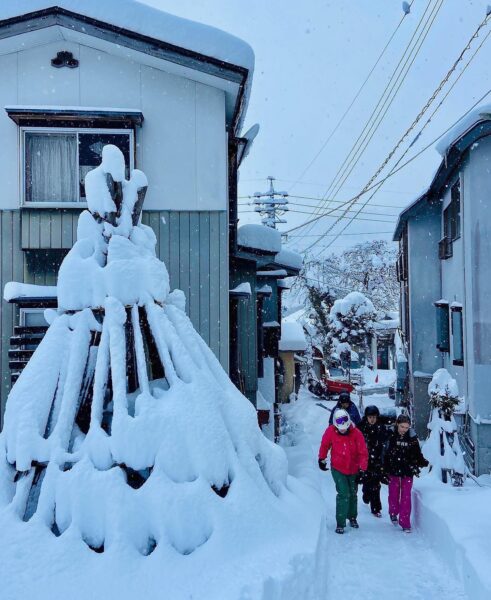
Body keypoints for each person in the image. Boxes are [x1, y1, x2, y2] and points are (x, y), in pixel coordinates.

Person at [318, 408, 368, 534]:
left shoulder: (357, 433)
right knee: (343, 493)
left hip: (354, 468)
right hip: (338, 468)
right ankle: (340, 522)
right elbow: (325, 445)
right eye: (340, 428)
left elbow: (363, 453)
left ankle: (352, 517)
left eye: (344, 428)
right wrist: (322, 459)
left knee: (353, 493)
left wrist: (362, 469)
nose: (343, 430)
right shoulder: (330, 431)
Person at [383, 414, 429, 533]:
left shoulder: (412, 438)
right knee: (393, 493)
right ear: (397, 424)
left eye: (406, 427)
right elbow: (385, 453)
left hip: (407, 470)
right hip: (393, 470)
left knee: (406, 496)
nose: (404, 429)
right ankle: (393, 512)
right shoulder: (390, 435)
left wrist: (421, 462)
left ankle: (405, 522)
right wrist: (384, 467)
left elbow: (417, 453)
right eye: (402, 426)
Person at [357, 405, 387, 517]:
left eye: (374, 417)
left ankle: (376, 508)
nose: (372, 419)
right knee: (366, 481)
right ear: (366, 417)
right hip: (364, 459)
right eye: (370, 417)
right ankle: (366, 494)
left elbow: (385, 444)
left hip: (377, 460)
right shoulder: (361, 427)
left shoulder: (381, 427)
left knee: (375, 484)